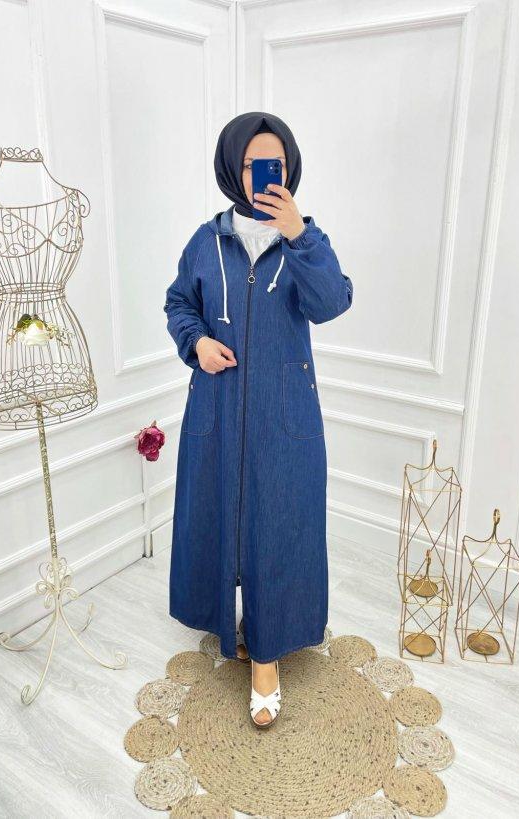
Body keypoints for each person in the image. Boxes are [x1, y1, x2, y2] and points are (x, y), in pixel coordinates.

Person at [164, 111, 353, 726]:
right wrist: (196, 343)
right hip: (216, 407)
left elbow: (332, 302)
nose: (261, 175)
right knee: (218, 514)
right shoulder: (206, 240)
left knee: (281, 524)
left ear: (289, 168)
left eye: (273, 163)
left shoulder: (304, 241)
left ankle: (267, 654)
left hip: (284, 413)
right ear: (232, 168)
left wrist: (299, 235)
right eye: (249, 164)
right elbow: (178, 303)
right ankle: (228, 625)